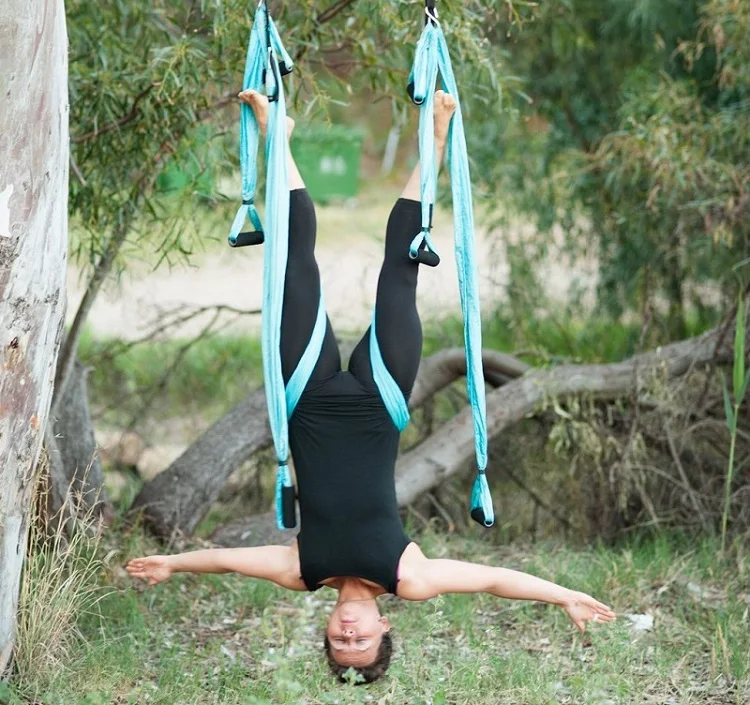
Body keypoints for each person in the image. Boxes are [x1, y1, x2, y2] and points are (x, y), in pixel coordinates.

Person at [127, 89, 615, 684]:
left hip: (304, 398)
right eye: (361, 643)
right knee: (400, 268)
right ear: (386, 627)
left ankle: (277, 135)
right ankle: (433, 142)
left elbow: (229, 562)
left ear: (327, 632)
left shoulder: (303, 571)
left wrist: (173, 564)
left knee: (291, 264)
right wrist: (563, 594)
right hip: (379, 397)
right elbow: (491, 580)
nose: (350, 634)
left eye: (339, 644)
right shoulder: (408, 577)